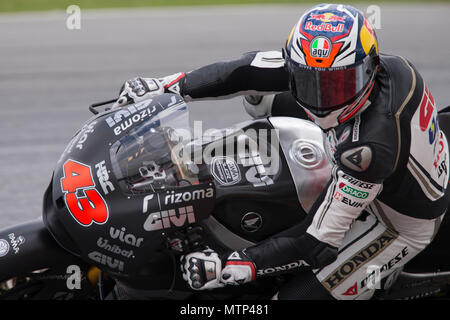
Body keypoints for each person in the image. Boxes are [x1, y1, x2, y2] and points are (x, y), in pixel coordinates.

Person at [113, 3, 450, 300]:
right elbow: (245, 70)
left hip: (397, 220)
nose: (321, 99)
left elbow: (317, 241)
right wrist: (167, 87)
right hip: (374, 150)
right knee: (257, 96)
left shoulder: (369, 149)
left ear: (369, 68)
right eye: (308, 81)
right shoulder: (384, 66)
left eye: (336, 85)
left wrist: (236, 264)